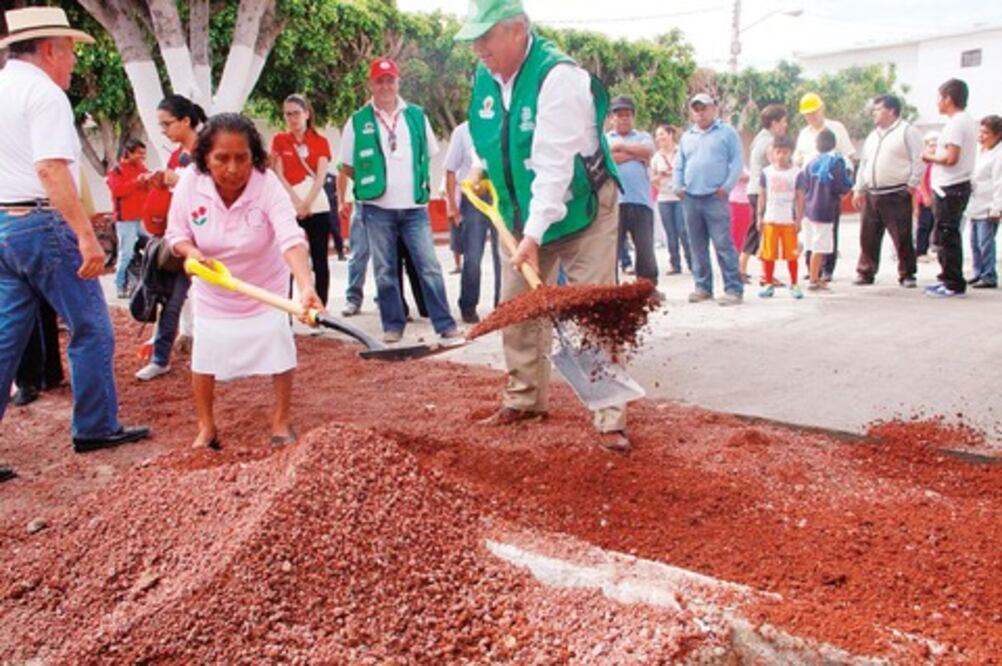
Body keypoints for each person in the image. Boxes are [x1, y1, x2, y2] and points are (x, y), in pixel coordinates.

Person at [457, 0, 631, 452]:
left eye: (486, 35)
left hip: (580, 208)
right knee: (516, 306)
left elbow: (553, 169)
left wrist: (533, 237)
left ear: (517, 29)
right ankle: (525, 397)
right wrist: (480, 166)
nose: (478, 46)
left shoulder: (559, 78)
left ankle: (608, 413)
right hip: (517, 212)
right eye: (474, 36)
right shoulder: (485, 76)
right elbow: (489, 132)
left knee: (591, 309)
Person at [0, 6, 150, 454]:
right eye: (68, 53)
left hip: (5, 224)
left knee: (6, 338)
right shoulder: (44, 96)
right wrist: (86, 235)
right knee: (92, 327)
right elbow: (50, 169)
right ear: (48, 50)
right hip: (43, 222)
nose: (73, 62)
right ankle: (95, 426)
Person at [166, 113, 321, 449]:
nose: (233, 168)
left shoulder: (266, 185)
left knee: (279, 347)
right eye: (222, 158)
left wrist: (305, 285)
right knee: (204, 358)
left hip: (265, 289)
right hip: (214, 290)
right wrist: (191, 251)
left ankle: (280, 422)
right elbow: (176, 233)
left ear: (255, 157)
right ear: (206, 157)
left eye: (242, 158)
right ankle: (207, 427)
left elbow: (290, 237)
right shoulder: (191, 183)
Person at [338, 57, 459, 342]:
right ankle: (392, 325)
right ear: (371, 84)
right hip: (377, 209)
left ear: (398, 82)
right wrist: (375, 184)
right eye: (379, 80)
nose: (385, 86)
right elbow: (347, 166)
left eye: (390, 79)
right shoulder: (357, 121)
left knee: (429, 266)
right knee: (384, 270)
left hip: (415, 208)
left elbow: (428, 153)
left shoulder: (416, 115)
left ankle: (445, 323)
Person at [134, 94, 206, 381]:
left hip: (208, 238)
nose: (163, 130)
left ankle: (219, 358)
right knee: (171, 299)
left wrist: (180, 181)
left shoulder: (208, 149)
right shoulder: (178, 155)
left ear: (186, 121)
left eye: (167, 124)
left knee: (213, 301)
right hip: (181, 238)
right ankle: (162, 356)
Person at [674, 93, 745, 306]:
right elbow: (680, 163)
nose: (700, 112)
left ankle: (733, 288)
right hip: (691, 198)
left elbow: (737, 161)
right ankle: (703, 287)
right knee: (696, 246)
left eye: (704, 108)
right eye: (696, 109)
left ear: (713, 108)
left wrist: (726, 187)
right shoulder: (687, 136)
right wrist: (678, 186)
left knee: (723, 244)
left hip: (715, 197)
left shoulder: (727, 133)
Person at [852, 94, 924, 288]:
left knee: (901, 236)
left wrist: (912, 183)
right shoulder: (873, 135)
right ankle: (866, 271)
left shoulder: (907, 131)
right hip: (872, 192)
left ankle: (907, 274)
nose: (873, 114)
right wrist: (859, 188)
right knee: (868, 236)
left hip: (896, 192)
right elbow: (864, 163)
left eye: (878, 109)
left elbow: (919, 158)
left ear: (891, 110)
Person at [271, 94, 333, 305]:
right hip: (290, 204)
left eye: (296, 113)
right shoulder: (280, 140)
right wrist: (296, 201)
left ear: (306, 114)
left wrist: (307, 202)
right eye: (288, 114)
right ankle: (287, 310)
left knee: (320, 260)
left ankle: (320, 308)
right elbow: (278, 174)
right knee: (289, 259)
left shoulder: (320, 141)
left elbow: (321, 175)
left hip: (317, 204)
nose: (292, 119)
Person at [922, 78, 978, 298]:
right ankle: (947, 278)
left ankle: (953, 283)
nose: (937, 102)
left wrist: (928, 156)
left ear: (948, 98)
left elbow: (951, 158)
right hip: (953, 186)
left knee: (947, 235)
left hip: (951, 187)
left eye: (939, 97)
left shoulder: (957, 123)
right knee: (946, 234)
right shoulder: (964, 121)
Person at [794, 93, 855, 281]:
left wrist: (846, 185)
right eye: (807, 114)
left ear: (822, 109)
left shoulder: (836, 128)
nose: (811, 117)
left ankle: (827, 268)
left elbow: (849, 156)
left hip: (829, 188)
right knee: (809, 229)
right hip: (809, 187)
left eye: (813, 112)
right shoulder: (804, 134)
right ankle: (812, 269)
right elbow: (798, 158)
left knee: (828, 229)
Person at [445, 120, 500, 324]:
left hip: (500, 197)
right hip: (473, 200)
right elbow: (450, 169)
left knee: (501, 256)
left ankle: (501, 306)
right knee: (473, 256)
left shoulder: (502, 122)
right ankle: (468, 306)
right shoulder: (462, 131)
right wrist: (452, 204)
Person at [607, 95, 660, 296]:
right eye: (619, 115)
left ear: (633, 117)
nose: (623, 119)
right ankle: (610, 289)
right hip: (613, 203)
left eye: (627, 115)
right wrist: (632, 154)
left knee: (645, 248)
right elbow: (607, 159)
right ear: (612, 119)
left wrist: (621, 148)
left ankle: (647, 288)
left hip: (641, 201)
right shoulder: (605, 139)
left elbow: (647, 151)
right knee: (611, 250)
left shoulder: (643, 136)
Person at [742, 104, 788, 283]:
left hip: (753, 190)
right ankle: (766, 274)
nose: (785, 126)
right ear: (774, 123)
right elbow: (777, 166)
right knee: (766, 231)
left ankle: (742, 268)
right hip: (763, 193)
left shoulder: (758, 138)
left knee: (755, 230)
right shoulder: (770, 143)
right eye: (783, 122)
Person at [756, 136, 804, 299]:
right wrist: (759, 216)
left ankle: (794, 283)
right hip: (770, 218)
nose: (781, 155)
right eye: (778, 152)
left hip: (788, 219)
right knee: (768, 253)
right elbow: (762, 195)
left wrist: (799, 219)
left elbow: (800, 197)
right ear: (773, 153)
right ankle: (768, 282)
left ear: (790, 153)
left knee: (792, 254)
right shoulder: (767, 172)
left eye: (785, 152)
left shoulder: (796, 173)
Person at [106, 138, 152, 298]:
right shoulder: (116, 171)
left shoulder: (141, 167)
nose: (142, 157)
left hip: (143, 217)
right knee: (126, 253)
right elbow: (117, 190)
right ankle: (120, 285)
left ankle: (148, 283)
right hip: (126, 219)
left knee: (154, 248)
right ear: (129, 153)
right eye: (139, 154)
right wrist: (137, 181)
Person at [966, 115, 1002, 288]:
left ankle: (989, 275)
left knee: (985, 242)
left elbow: (999, 183)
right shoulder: (982, 151)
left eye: (986, 132)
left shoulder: (999, 155)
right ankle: (978, 271)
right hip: (975, 203)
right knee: (974, 242)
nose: (981, 136)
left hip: (989, 206)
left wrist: (997, 207)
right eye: (980, 131)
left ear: (997, 134)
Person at [650, 124, 691, 275]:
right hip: (664, 198)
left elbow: (688, 171)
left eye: (662, 134)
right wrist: (660, 177)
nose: (660, 138)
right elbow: (652, 179)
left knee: (683, 230)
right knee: (670, 232)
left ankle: (691, 262)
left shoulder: (681, 152)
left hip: (680, 197)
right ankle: (675, 264)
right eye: (658, 135)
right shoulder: (656, 157)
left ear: (670, 135)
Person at [914, 131, 939, 262]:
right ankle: (920, 251)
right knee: (924, 225)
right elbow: (921, 180)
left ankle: (929, 248)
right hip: (925, 198)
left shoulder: (935, 162)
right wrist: (925, 196)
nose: (933, 148)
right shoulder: (924, 161)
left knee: (932, 225)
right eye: (931, 145)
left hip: (935, 197)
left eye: (936, 145)